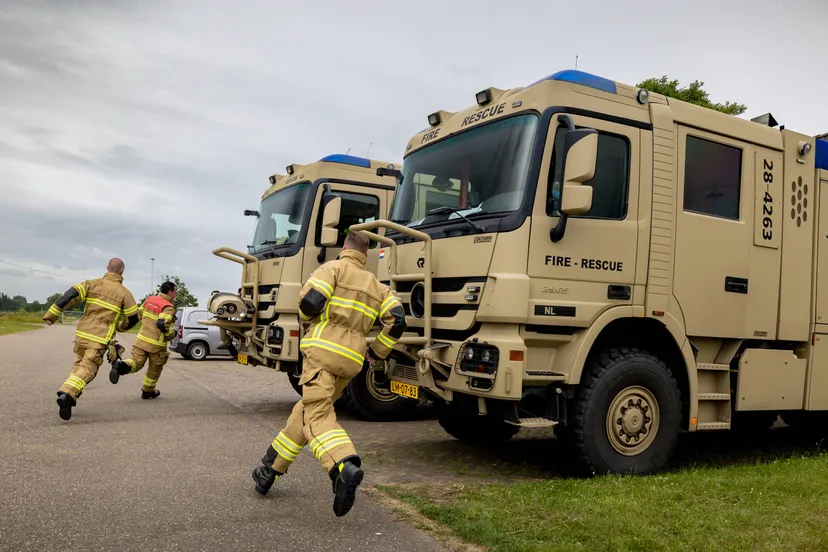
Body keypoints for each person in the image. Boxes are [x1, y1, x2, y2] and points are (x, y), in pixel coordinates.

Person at [250, 231, 407, 517]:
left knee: (317, 416)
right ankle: (268, 471)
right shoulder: (377, 286)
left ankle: (343, 466)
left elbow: (310, 303)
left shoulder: (331, 269)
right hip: (351, 360)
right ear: (367, 253)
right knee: (308, 411)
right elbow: (397, 320)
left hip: (321, 353)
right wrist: (379, 351)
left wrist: (309, 321)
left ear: (344, 247)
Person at [43, 258, 140, 420]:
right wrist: (119, 327)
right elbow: (133, 319)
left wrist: (52, 315)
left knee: (81, 364)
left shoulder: (91, 284)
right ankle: (66, 393)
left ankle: (72, 396)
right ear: (122, 271)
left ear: (107, 268)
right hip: (99, 338)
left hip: (82, 335)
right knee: (90, 368)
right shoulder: (124, 293)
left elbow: (69, 295)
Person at [109, 281, 177, 399]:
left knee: (136, 362)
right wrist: (172, 333)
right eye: (175, 291)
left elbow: (137, 314)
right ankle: (147, 391)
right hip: (156, 345)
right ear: (170, 292)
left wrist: (121, 326)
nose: (176, 293)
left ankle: (120, 366)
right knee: (155, 368)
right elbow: (162, 324)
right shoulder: (168, 307)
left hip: (141, 340)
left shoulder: (149, 300)